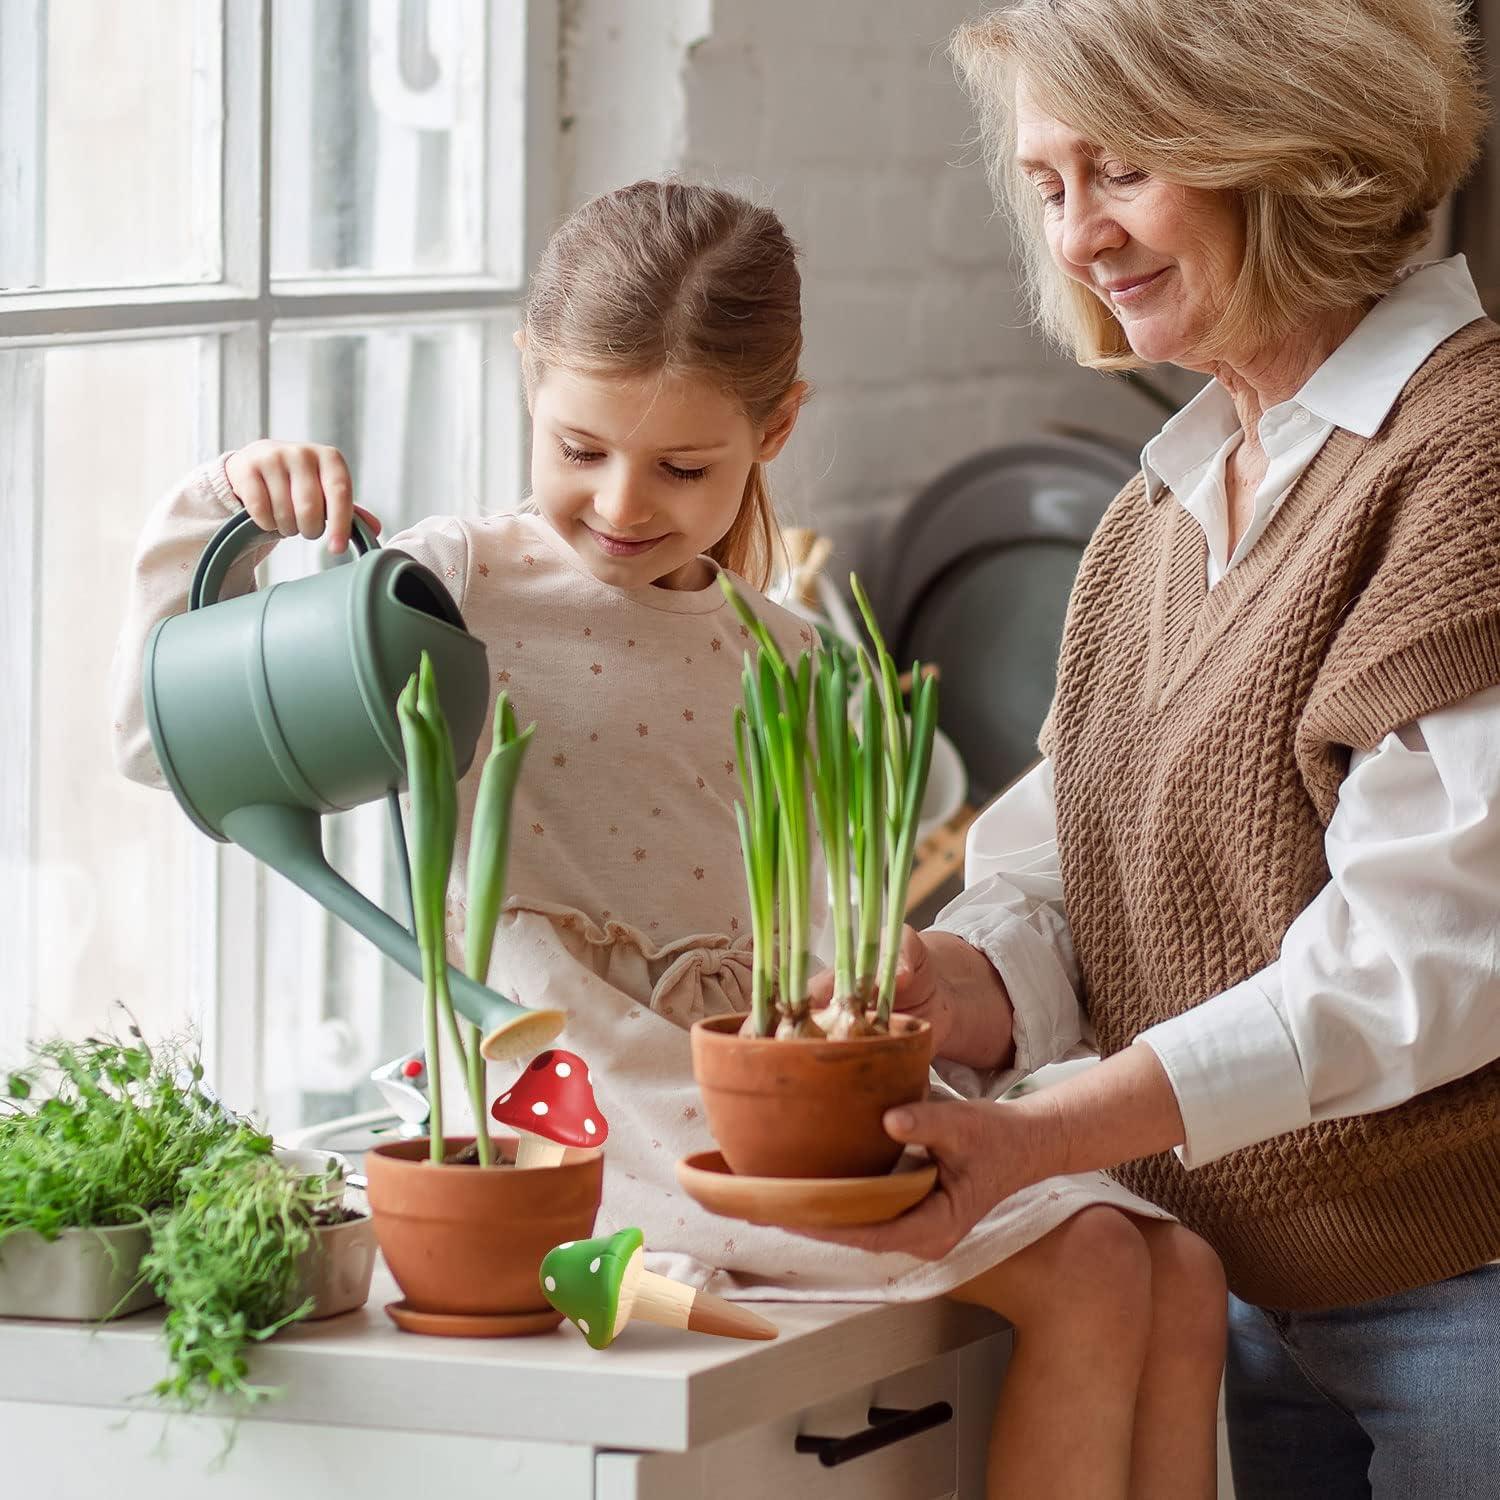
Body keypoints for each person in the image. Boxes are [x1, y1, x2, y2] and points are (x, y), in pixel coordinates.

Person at [109, 179, 1226, 1500]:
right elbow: (157, 742)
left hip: (758, 1082)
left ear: (777, 427)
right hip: (586, 1098)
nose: (624, 501)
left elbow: (814, 936)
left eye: (684, 468)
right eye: (579, 447)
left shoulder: (792, 654)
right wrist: (217, 518)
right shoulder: (449, 590)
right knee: (1096, 1266)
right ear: (530, 380)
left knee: (1186, 1269)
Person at [809, 4, 1500, 1497]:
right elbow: (1073, 874)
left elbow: (1425, 961)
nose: (1076, 238)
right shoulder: (1163, 511)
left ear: (1276, 141)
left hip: (1470, 1293)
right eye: (1048, 185)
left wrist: (1049, 1134)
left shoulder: (1471, 458)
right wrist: (963, 988)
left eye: (1120, 172)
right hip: (1249, 1281)